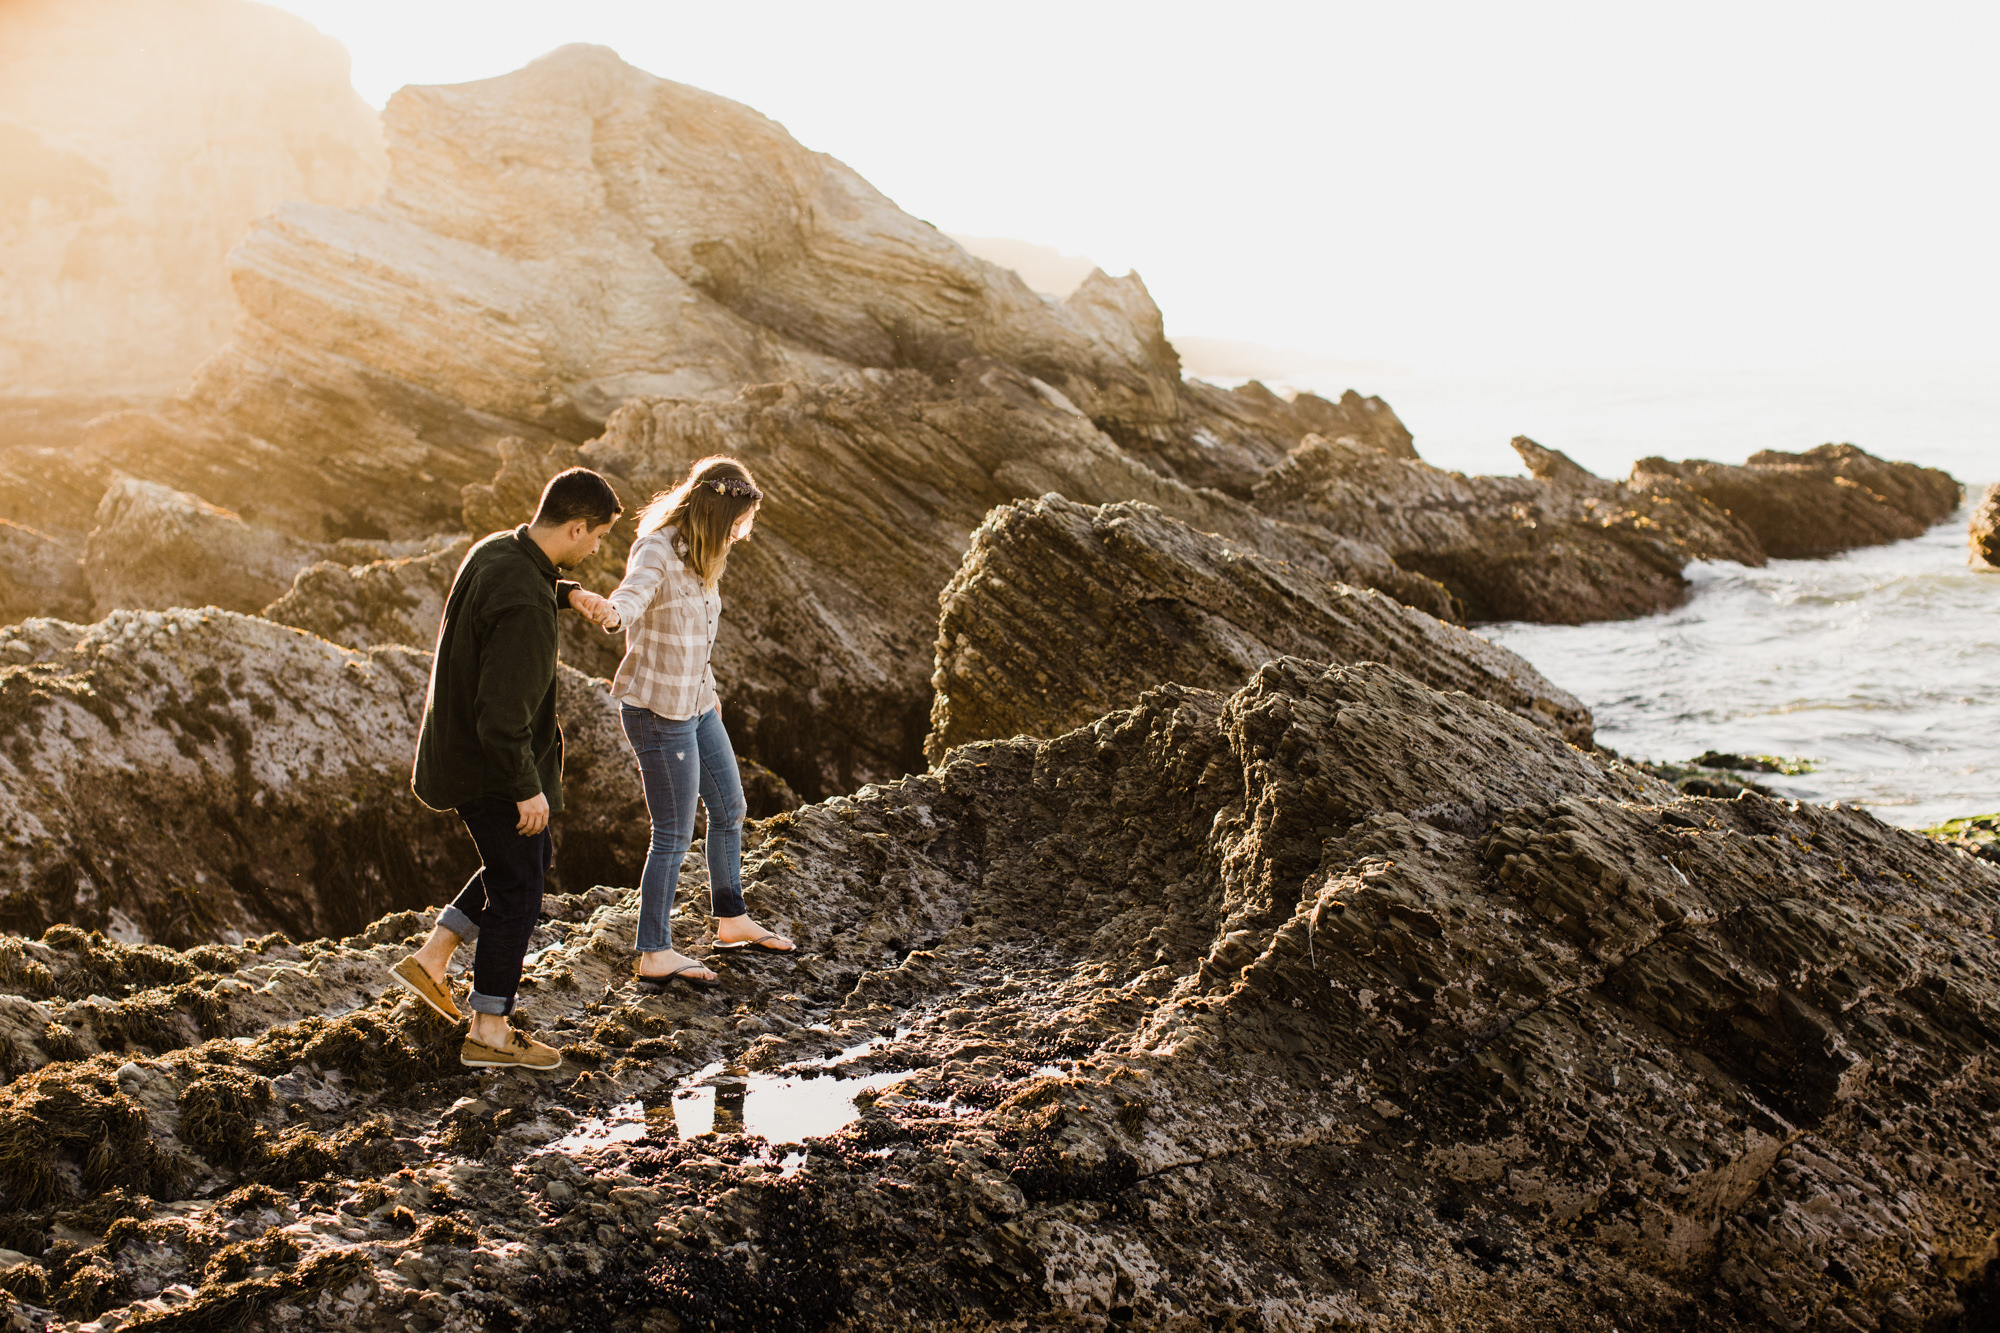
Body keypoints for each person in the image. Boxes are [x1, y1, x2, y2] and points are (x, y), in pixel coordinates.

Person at [387, 467, 621, 1070]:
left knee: (526, 861)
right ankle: (489, 1027)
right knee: (519, 886)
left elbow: (521, 584)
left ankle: (433, 959)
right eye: (597, 537)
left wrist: (568, 592)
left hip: (458, 749)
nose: (598, 549)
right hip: (490, 765)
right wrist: (527, 790)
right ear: (575, 527)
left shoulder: (498, 549)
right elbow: (501, 716)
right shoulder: (525, 607)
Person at [579, 454, 795, 990]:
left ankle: (731, 920)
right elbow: (633, 596)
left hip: (697, 703)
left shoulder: (706, 551)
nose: (741, 533)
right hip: (657, 711)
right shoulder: (657, 546)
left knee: (730, 808)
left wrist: (711, 691)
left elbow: (697, 633)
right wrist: (610, 612)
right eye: (739, 521)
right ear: (717, 510)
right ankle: (654, 951)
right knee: (673, 834)